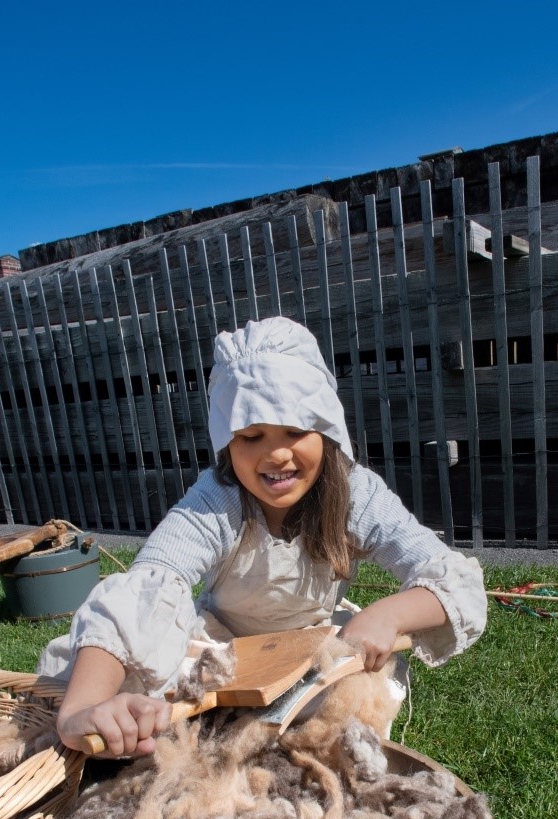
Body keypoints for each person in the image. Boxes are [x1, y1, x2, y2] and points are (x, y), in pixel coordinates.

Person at [44, 316, 487, 757]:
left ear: (327, 432)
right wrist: (80, 708)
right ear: (227, 445)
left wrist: (389, 614)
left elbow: (450, 578)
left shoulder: (357, 495)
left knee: (362, 691)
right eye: (251, 436)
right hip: (224, 653)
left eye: (295, 431)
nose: (276, 453)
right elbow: (151, 584)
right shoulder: (217, 500)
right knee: (144, 679)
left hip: (311, 651)